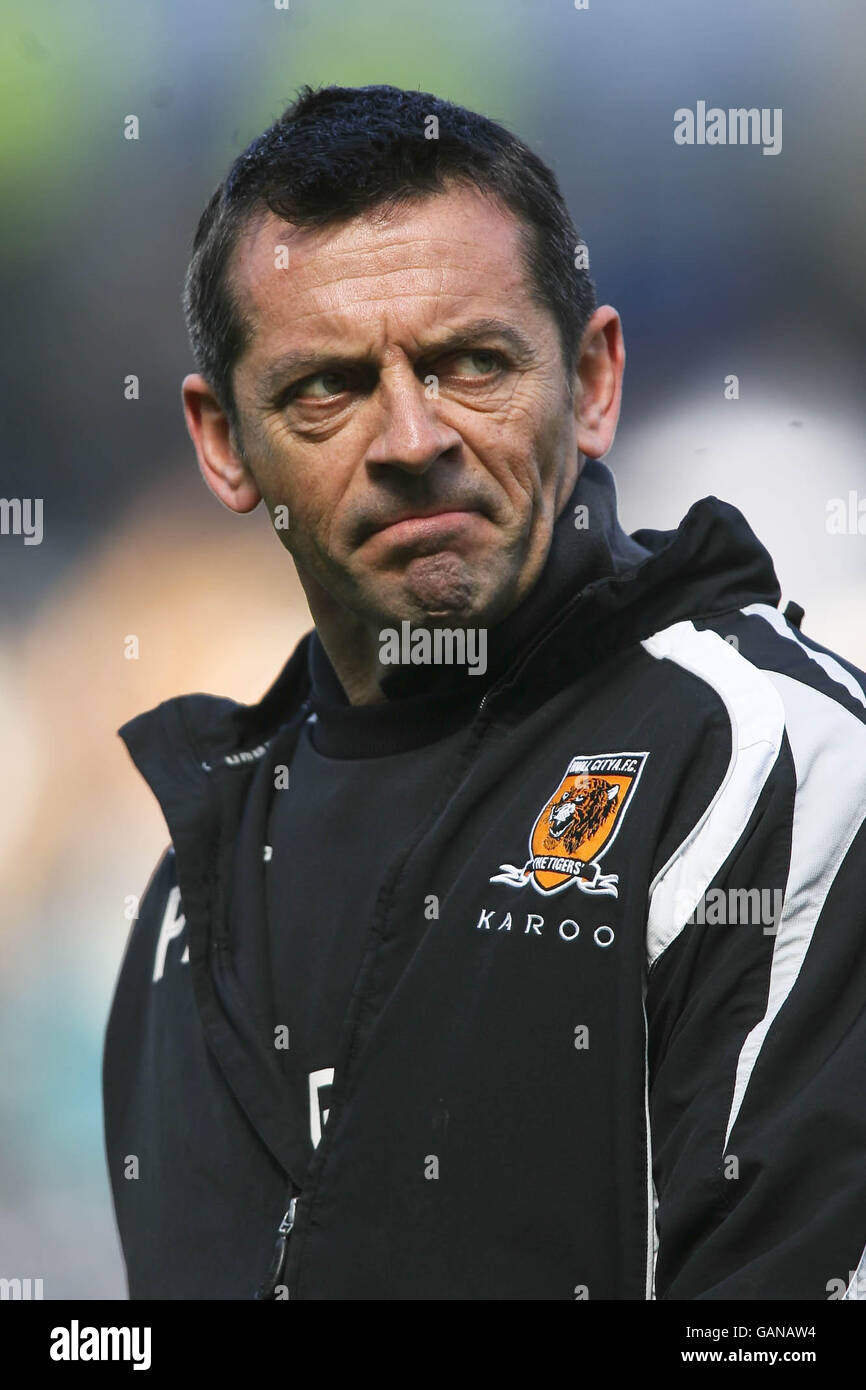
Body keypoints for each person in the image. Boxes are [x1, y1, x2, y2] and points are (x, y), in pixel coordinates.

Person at [102, 83, 866, 1300]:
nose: (413, 438)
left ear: (595, 381)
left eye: (472, 363)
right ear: (223, 445)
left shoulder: (762, 758)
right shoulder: (188, 894)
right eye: (329, 388)